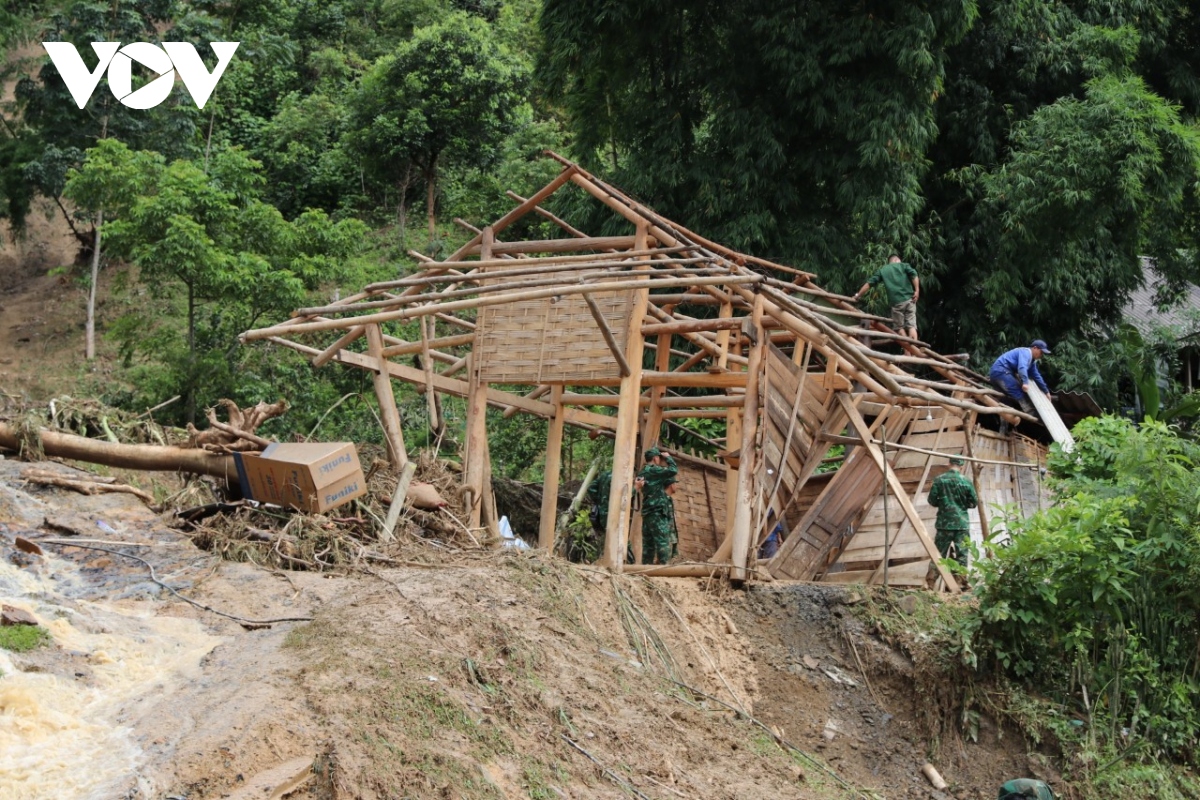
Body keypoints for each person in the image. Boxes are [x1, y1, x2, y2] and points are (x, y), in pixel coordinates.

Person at [850, 254, 920, 340]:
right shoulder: (904, 266)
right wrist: (917, 290)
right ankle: (914, 351)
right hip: (910, 299)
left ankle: (908, 352)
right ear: (896, 260)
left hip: (897, 303)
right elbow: (914, 275)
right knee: (911, 326)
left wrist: (857, 295)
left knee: (899, 328)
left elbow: (869, 284)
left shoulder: (883, 270)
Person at [927, 456, 978, 571]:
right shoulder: (967, 481)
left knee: (939, 555)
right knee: (962, 555)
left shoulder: (939, 480)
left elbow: (932, 501)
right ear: (961, 466)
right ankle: (961, 582)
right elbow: (974, 503)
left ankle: (930, 582)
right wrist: (962, 505)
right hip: (962, 524)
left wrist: (943, 504)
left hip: (944, 524)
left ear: (949, 464)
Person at [636, 446, 678, 565]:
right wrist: (669, 458)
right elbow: (673, 470)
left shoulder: (642, 472)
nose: (659, 460)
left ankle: (645, 571)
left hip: (647, 512)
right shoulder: (655, 470)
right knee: (662, 542)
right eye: (658, 458)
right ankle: (664, 570)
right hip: (657, 511)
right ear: (655, 458)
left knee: (648, 545)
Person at [989, 340, 1052, 414]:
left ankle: (1004, 424)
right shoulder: (1026, 353)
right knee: (1018, 391)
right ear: (1035, 348)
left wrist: (1046, 391)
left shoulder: (1032, 361)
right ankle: (1031, 413)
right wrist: (1025, 382)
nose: (1041, 355)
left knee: (1005, 400)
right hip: (1001, 371)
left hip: (997, 373)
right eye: (1041, 352)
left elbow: (1037, 376)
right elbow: (1022, 368)